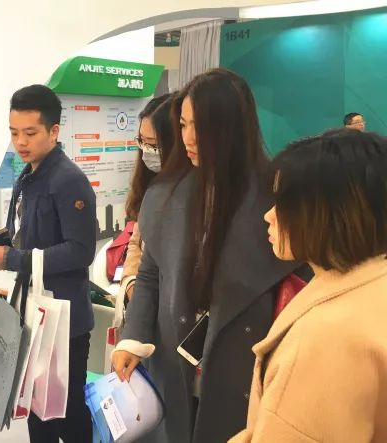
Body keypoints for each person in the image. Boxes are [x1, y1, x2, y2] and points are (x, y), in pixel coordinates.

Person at [111, 68, 302, 442]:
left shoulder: (279, 197)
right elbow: (149, 274)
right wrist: (133, 337)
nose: (188, 138)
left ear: (232, 128)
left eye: (201, 126)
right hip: (173, 360)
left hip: (245, 364)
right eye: (183, 125)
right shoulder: (166, 193)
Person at [230, 129, 387, 442]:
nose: (268, 216)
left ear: (328, 213)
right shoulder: (370, 285)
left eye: (283, 203)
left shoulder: (325, 340)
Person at [0, 84, 97, 442]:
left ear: (54, 130)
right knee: (36, 408)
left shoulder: (69, 180)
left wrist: (14, 258)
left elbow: (81, 251)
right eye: (14, 132)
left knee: (68, 413)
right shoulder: (30, 174)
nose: (20, 142)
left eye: (30, 133)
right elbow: (26, 237)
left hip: (65, 321)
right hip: (34, 311)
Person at [121, 93, 174, 301]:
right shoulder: (150, 185)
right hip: (143, 295)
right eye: (141, 141)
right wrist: (131, 282)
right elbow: (136, 242)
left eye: (153, 144)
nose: (146, 151)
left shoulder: (188, 193)